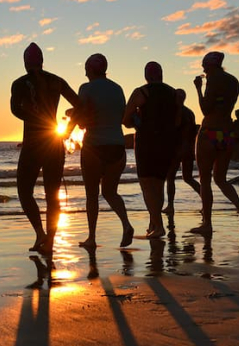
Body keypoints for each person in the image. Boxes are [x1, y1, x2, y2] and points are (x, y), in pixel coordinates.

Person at [10, 42, 80, 255]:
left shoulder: (20, 83)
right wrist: (68, 129)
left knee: (24, 190)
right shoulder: (56, 81)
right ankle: (49, 240)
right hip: (53, 142)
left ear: (25, 63)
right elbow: (79, 105)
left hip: (33, 142)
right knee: (52, 194)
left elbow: (15, 110)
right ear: (41, 61)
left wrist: (32, 117)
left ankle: (40, 233)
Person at [74, 53, 134, 249]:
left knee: (92, 194)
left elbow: (80, 117)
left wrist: (65, 133)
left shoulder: (86, 88)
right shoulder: (117, 89)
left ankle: (92, 237)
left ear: (91, 69)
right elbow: (122, 116)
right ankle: (126, 224)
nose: (85, 72)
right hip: (117, 146)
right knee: (110, 192)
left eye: (86, 68)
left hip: (94, 145)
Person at [191, 51, 239, 234]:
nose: (203, 70)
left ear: (211, 65)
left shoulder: (212, 80)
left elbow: (206, 110)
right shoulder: (233, 81)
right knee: (221, 179)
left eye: (204, 66)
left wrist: (198, 89)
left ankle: (207, 223)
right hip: (227, 133)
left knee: (205, 180)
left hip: (209, 132)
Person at [122, 61, 176, 239]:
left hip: (147, 142)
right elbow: (176, 119)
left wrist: (135, 121)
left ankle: (158, 225)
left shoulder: (142, 92)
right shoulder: (172, 93)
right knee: (158, 184)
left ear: (146, 76)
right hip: (167, 141)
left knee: (146, 184)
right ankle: (154, 223)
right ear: (161, 74)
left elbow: (125, 118)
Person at [164, 88, 201, 215]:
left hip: (177, 149)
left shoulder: (177, 111)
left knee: (171, 177)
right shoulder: (190, 112)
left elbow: (176, 126)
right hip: (189, 149)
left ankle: (170, 206)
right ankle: (206, 199)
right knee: (188, 178)